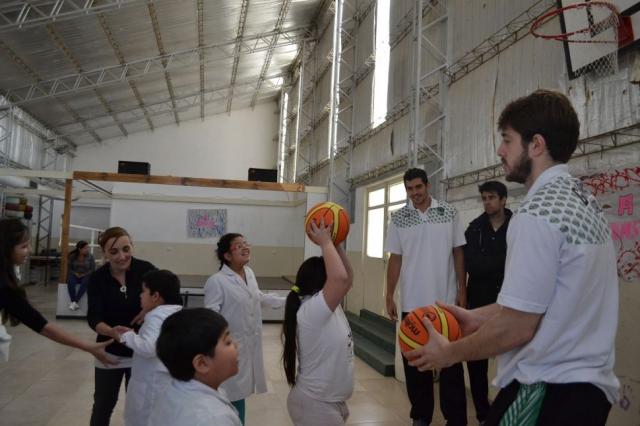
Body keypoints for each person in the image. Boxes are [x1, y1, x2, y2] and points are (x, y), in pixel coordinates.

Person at [407, 90, 620, 425]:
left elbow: (517, 328)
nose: (500, 150)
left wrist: (449, 354)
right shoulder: (584, 202)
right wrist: (473, 318)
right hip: (588, 391)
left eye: (507, 140)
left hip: (548, 389)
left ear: (536, 145)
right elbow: (543, 301)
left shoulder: (536, 215)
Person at [385, 167, 468, 426]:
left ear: (427, 185)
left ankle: (455, 418)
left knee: (451, 363)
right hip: (412, 303)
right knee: (415, 364)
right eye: (410, 189)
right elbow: (395, 259)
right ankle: (420, 416)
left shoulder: (449, 212)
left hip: (445, 302)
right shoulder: (398, 219)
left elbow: (458, 252)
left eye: (418, 187)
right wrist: (389, 295)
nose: (415, 193)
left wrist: (462, 289)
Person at [0, 218, 113, 364]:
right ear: (5, 249)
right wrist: (88, 346)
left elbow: (38, 322)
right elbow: (41, 325)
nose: (29, 250)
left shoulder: (6, 281)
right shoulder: (4, 286)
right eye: (23, 246)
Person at [204, 233, 285, 425]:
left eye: (246, 243)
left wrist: (287, 301)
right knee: (229, 394)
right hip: (229, 349)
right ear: (227, 256)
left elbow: (256, 297)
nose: (245, 247)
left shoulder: (249, 273)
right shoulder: (217, 281)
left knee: (238, 394)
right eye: (238, 246)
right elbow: (210, 317)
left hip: (249, 345)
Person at [282, 220, 354, 426]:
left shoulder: (327, 305)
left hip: (327, 402)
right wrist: (324, 242)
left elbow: (346, 279)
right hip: (315, 405)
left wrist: (336, 242)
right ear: (322, 281)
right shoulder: (312, 310)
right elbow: (339, 279)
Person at [87, 226, 157, 426]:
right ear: (105, 253)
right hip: (109, 353)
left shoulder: (146, 270)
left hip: (141, 353)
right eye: (114, 251)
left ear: (132, 247)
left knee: (141, 407)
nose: (122, 256)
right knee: (103, 405)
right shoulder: (98, 279)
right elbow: (94, 318)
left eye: (126, 249)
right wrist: (110, 331)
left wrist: (148, 309)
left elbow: (170, 293)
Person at [463, 180, 512, 424]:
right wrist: (502, 264)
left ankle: (508, 412)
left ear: (503, 200)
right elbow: (472, 266)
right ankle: (483, 414)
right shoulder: (474, 229)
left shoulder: (519, 226)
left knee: (512, 359)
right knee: (476, 362)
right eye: (484, 198)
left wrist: (492, 266)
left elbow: (522, 264)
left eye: (492, 197)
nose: (487, 202)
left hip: (511, 304)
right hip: (480, 303)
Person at [148, 308, 241, 426]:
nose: (236, 345)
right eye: (227, 342)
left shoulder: (174, 391)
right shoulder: (213, 419)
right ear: (202, 364)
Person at [117, 270, 183, 426]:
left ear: (155, 296)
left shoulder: (156, 316)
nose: (140, 295)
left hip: (151, 385)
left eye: (143, 291)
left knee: (144, 420)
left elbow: (148, 347)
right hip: (164, 382)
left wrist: (127, 336)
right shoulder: (176, 312)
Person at [67, 240, 96, 311]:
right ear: (80, 249)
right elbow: (70, 268)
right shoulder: (73, 256)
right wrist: (75, 273)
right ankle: (73, 301)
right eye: (85, 248)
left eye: (87, 248)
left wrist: (84, 274)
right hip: (75, 274)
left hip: (86, 275)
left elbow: (92, 269)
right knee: (70, 280)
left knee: (87, 281)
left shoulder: (90, 256)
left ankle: (75, 302)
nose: (87, 249)